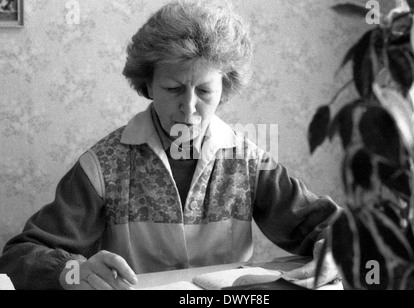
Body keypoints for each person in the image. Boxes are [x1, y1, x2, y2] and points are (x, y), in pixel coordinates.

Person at [0, 0, 340, 290]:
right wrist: (72, 271)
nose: (189, 107)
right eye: (173, 89)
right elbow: (19, 255)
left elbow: (330, 226)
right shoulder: (103, 165)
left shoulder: (247, 160)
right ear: (148, 86)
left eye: (204, 91)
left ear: (226, 88)